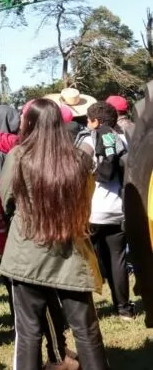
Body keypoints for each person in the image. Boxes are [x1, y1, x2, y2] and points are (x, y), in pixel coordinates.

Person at [0, 99, 110, 370]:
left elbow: (6, 199)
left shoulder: (18, 156)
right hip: (69, 249)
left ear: (28, 123)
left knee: (28, 331)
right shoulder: (78, 159)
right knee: (86, 329)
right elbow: (86, 202)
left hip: (27, 251)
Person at [77, 101, 133, 320]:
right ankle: (124, 309)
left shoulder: (89, 141)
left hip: (93, 211)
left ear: (96, 121)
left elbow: (78, 167)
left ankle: (90, 308)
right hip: (118, 209)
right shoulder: (121, 140)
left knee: (93, 259)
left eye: (88, 120)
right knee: (118, 259)